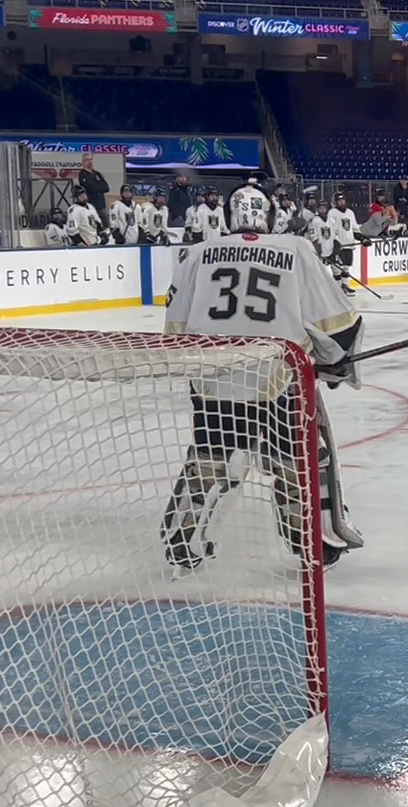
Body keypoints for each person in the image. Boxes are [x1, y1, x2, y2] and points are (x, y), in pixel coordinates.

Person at [162, 181, 367, 570]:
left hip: (213, 379)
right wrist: (335, 365)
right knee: (302, 458)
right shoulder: (296, 250)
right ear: (272, 216)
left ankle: (182, 536)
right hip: (278, 377)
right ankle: (315, 540)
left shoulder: (195, 256)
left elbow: (175, 331)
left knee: (211, 457)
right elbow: (340, 324)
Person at [326, 192, 358, 293]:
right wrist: (334, 242)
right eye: (339, 200)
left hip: (349, 245)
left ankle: (344, 285)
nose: (341, 202)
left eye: (342, 200)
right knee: (337, 268)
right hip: (337, 245)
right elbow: (330, 229)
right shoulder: (331, 213)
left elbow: (354, 228)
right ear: (335, 202)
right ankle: (337, 289)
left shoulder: (350, 213)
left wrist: (362, 238)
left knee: (346, 266)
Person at [75, 153, 111, 230]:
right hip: (91, 206)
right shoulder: (82, 174)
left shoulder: (97, 174)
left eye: (91, 160)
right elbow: (90, 188)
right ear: (83, 162)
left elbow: (106, 187)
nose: (90, 162)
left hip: (101, 206)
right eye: (87, 160)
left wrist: (96, 186)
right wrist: (98, 186)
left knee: (107, 226)